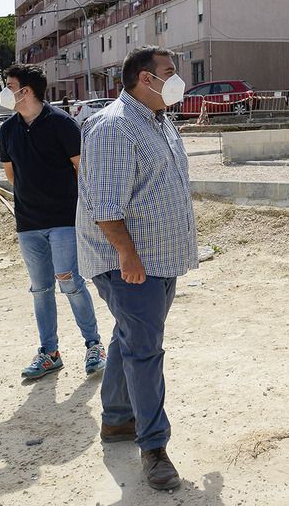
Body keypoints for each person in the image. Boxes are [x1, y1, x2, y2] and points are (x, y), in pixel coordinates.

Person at [76, 46, 197, 492]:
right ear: (145, 79)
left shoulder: (159, 121)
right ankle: (154, 448)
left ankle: (116, 420)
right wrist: (127, 256)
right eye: (169, 72)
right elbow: (105, 207)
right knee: (145, 350)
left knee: (129, 336)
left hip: (159, 259)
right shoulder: (114, 127)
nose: (176, 79)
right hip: (129, 263)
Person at [0, 64, 105, 380]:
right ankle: (49, 353)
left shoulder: (63, 124)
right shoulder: (8, 130)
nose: (5, 91)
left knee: (69, 282)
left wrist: (77, 212)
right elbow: (11, 174)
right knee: (40, 289)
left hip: (63, 221)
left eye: (9, 84)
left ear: (26, 91)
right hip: (28, 224)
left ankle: (94, 346)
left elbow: (81, 170)